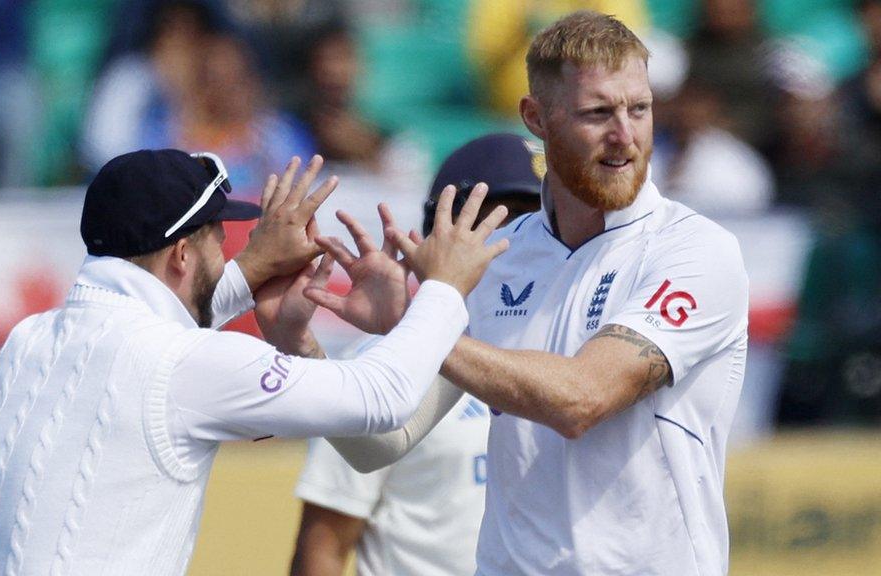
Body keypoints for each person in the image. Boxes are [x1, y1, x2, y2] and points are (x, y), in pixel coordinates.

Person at [316, 12, 749, 575]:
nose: (626, 135)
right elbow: (383, 443)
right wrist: (303, 343)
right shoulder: (495, 257)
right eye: (598, 112)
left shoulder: (695, 249)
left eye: (638, 108)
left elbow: (581, 401)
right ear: (535, 117)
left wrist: (415, 326)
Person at [0, 150, 509, 575]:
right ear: (183, 254)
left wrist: (246, 280)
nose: (233, 251)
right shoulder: (186, 364)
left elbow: (145, 331)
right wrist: (444, 288)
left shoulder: (27, 341)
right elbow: (381, 400)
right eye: (221, 241)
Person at [290, 133, 545, 576]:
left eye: (535, 223)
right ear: (433, 235)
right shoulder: (381, 361)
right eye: (495, 222)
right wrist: (302, 346)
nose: (514, 241)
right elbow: (325, 546)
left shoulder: (570, 342)